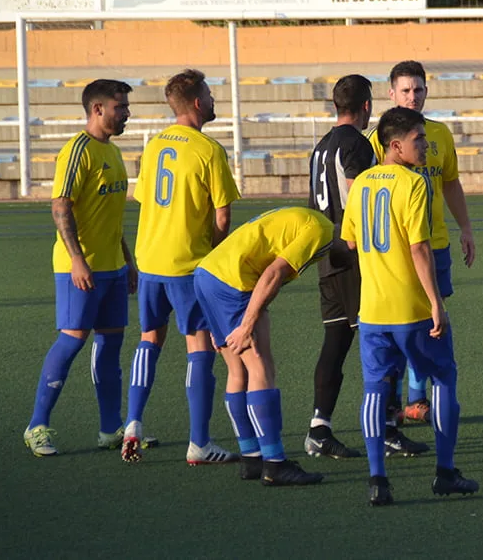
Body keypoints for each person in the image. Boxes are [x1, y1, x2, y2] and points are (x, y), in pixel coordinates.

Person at [343, 107, 478, 505]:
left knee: (374, 391)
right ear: (396, 145)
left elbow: (350, 242)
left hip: (372, 311)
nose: (424, 144)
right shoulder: (414, 183)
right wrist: (436, 303)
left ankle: (377, 480)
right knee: (444, 379)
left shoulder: (363, 182)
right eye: (418, 139)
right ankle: (445, 472)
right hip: (411, 308)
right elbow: (420, 247)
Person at [123, 69, 241, 464]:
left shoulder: (154, 145)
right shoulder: (208, 150)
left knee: (149, 339)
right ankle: (199, 443)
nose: (212, 100)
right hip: (187, 264)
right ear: (195, 102)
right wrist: (214, 255)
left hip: (151, 259)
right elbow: (223, 218)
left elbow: (145, 199)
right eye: (208, 94)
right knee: (199, 345)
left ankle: (133, 423)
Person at [24, 79, 136, 457]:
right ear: (98, 109)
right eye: (120, 107)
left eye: (126, 107)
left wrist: (128, 260)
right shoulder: (78, 150)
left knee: (111, 344)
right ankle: (36, 425)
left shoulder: (114, 152)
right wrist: (76, 259)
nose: (126, 113)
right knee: (72, 340)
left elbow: (113, 217)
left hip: (113, 269)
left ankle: (110, 429)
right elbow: (60, 206)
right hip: (80, 268)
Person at [368, 60, 475, 425]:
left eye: (418, 89)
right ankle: (393, 405)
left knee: (430, 320)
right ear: (391, 94)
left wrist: (466, 228)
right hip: (393, 252)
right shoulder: (378, 139)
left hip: (434, 243)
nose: (413, 96)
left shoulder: (439, 135)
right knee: (395, 324)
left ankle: (417, 399)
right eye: (405, 90)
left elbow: (450, 183)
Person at [193, 206, 332, 486]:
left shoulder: (305, 217)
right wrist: (246, 324)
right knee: (261, 367)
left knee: (237, 370)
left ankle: (251, 458)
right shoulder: (322, 232)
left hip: (208, 273)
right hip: (234, 282)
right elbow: (273, 274)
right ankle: (275, 463)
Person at [302, 75, 375, 459]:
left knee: (336, 340)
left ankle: (320, 426)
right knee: (381, 335)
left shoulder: (320, 147)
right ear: (366, 105)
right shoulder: (355, 145)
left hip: (324, 252)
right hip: (353, 255)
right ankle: (387, 425)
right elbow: (360, 196)